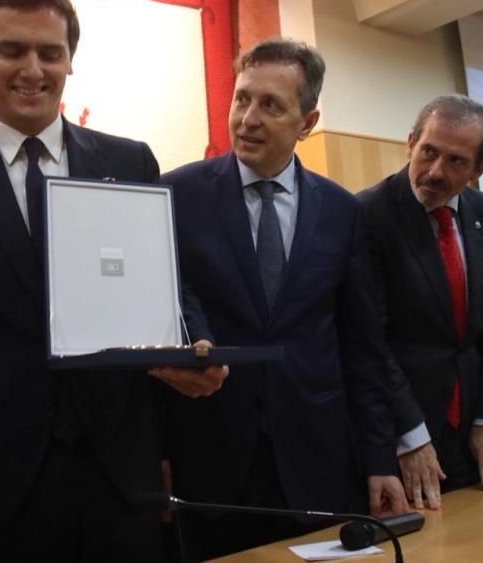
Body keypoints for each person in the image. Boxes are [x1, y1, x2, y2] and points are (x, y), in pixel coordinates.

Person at [0, 0, 224, 562]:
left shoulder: (128, 160)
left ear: (70, 60)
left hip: (122, 471)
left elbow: (165, 282)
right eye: (12, 50)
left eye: (50, 53)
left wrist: (193, 342)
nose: (32, 70)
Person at [158, 38, 407, 561]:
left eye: (271, 105)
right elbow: (160, 329)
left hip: (318, 463)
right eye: (241, 99)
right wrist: (152, 456)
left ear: (307, 120)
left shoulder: (342, 211)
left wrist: (380, 458)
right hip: (210, 463)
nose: (248, 118)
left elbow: (363, 347)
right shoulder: (174, 196)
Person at [358, 94, 483, 509]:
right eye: (428, 152)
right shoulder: (367, 214)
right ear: (410, 142)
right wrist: (409, 434)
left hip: (473, 431)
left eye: (456, 161)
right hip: (402, 434)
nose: (435, 171)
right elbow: (369, 339)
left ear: (480, 169)